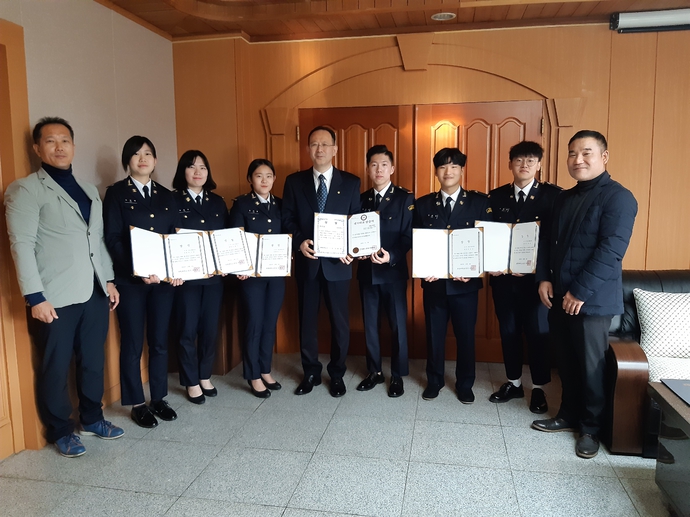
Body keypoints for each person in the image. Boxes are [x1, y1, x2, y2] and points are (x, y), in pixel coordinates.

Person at [4, 117, 123, 457]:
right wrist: (35, 297)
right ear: (37, 148)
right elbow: (21, 245)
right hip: (54, 296)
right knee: (55, 366)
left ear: (73, 145)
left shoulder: (87, 190)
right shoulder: (26, 189)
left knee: (92, 361)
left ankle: (93, 417)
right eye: (51, 141)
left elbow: (96, 241)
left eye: (65, 141)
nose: (59, 147)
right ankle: (60, 430)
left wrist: (110, 279)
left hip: (94, 292)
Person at [532, 130, 637, 459]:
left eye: (586, 153)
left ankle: (590, 429)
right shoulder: (563, 198)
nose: (578, 160)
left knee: (591, 366)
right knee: (565, 361)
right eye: (572, 153)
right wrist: (543, 279)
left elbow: (611, 251)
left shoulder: (619, 197)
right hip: (558, 295)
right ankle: (567, 415)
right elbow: (547, 242)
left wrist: (579, 291)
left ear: (603, 157)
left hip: (591, 301)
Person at [103, 136, 183, 429]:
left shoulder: (167, 195)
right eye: (136, 154)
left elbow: (175, 237)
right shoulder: (115, 194)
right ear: (128, 161)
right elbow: (111, 238)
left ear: (155, 161)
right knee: (133, 343)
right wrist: (137, 270)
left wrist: (177, 268)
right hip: (131, 282)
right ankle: (137, 403)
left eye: (148, 153)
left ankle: (159, 397)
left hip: (162, 283)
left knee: (160, 342)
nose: (142, 158)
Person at [282, 126, 361, 397]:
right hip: (308, 263)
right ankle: (311, 372)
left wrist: (352, 248)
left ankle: (337, 373)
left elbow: (356, 223)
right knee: (307, 322)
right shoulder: (294, 182)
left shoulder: (351, 182)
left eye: (325, 144)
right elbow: (287, 219)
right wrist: (300, 240)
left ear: (335, 149)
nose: (319, 149)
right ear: (308, 149)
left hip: (338, 267)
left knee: (340, 323)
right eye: (314, 144)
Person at [487, 141, 561, 414]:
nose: (525, 165)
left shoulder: (553, 197)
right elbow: (488, 236)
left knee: (538, 333)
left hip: (537, 282)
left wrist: (543, 274)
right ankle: (514, 383)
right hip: (504, 280)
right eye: (519, 160)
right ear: (510, 164)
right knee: (508, 331)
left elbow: (555, 243)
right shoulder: (495, 197)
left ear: (539, 165)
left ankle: (539, 388)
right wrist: (489, 263)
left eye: (531, 160)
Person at [413, 147, 490, 404]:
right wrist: (425, 269)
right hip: (434, 285)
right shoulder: (423, 204)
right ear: (436, 171)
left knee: (466, 336)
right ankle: (434, 380)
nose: (448, 171)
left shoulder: (480, 202)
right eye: (443, 167)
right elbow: (417, 242)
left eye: (454, 166)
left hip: (465, 287)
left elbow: (486, 242)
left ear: (461, 170)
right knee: (433, 335)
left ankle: (465, 383)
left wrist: (474, 270)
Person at [356, 145, 414, 397]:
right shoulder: (360, 199)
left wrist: (391, 256)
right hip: (367, 272)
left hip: (393, 272)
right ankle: (375, 371)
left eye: (383, 164)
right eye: (373, 165)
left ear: (392, 168)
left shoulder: (405, 198)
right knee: (370, 324)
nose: (378, 169)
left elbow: (408, 236)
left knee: (398, 325)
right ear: (368, 169)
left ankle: (398, 374)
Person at [172, 150, 228, 404]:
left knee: (209, 328)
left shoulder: (218, 202)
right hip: (186, 280)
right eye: (192, 167)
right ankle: (191, 380)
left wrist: (229, 263)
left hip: (215, 278)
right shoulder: (172, 201)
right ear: (182, 171)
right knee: (187, 329)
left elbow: (227, 239)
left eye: (203, 167)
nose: (198, 172)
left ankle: (205, 374)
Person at [228, 159, 285, 399]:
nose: (264, 180)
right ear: (250, 179)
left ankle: (265, 368)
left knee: (269, 323)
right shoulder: (241, 204)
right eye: (259, 176)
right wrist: (239, 266)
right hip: (251, 275)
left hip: (276, 274)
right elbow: (235, 239)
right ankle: (252, 374)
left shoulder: (281, 205)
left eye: (269, 175)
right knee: (254, 323)